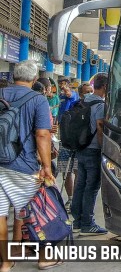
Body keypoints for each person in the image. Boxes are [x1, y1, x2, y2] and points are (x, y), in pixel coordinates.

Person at [0, 60, 61, 271]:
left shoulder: (1, 94)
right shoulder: (38, 100)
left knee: (0, 214)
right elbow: (42, 134)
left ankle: (5, 263)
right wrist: (46, 166)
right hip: (23, 164)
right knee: (38, 209)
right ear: (34, 79)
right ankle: (44, 257)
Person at [70, 73, 108, 235]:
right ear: (105, 86)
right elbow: (100, 126)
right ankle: (87, 224)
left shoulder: (83, 101)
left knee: (80, 185)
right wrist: (103, 148)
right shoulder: (100, 105)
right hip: (93, 150)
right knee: (91, 187)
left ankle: (77, 222)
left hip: (80, 148)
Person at [56, 77, 79, 209]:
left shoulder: (72, 95)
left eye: (64, 84)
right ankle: (70, 198)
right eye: (60, 84)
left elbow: (70, 94)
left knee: (76, 169)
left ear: (69, 85)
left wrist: (66, 90)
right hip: (63, 138)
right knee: (65, 169)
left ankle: (75, 199)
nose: (62, 87)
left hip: (73, 139)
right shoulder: (60, 96)